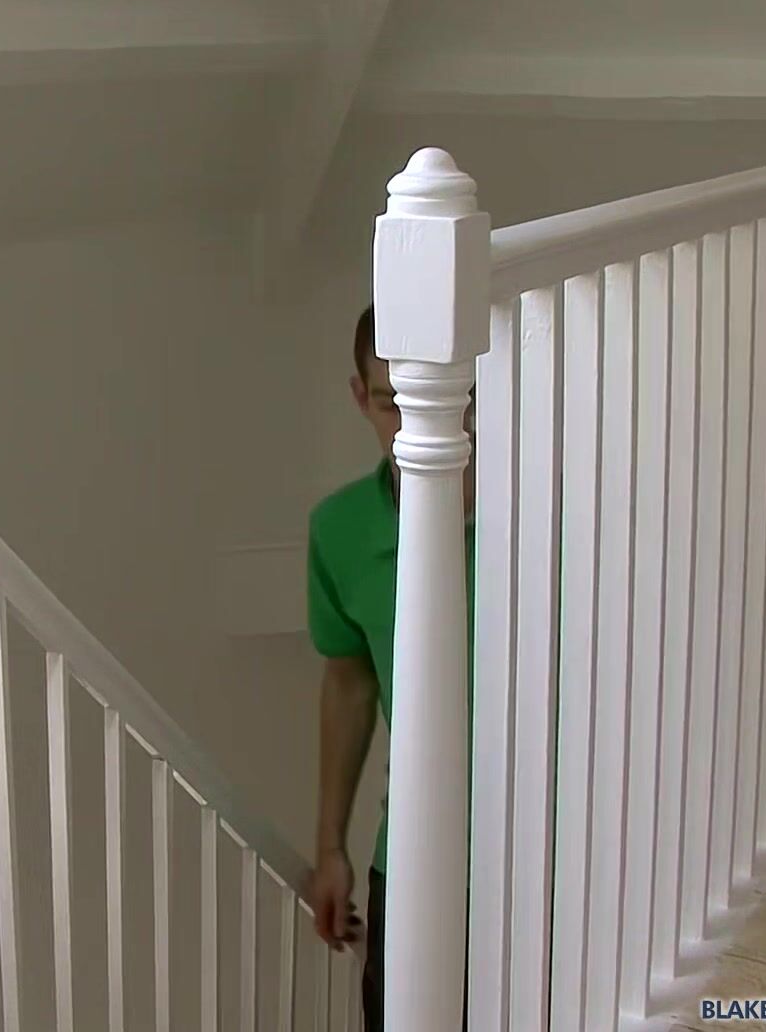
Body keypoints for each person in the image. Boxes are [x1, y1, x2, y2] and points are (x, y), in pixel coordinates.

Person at [305, 306, 473, 1030]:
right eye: (389, 405)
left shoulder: (554, 512)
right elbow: (350, 682)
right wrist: (330, 847)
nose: (415, 430)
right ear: (360, 398)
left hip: (562, 858)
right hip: (411, 862)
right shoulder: (340, 531)